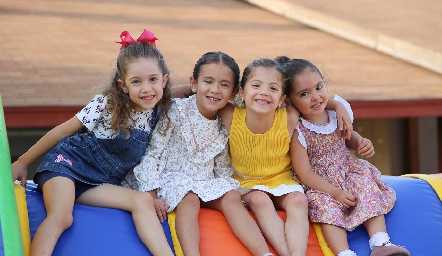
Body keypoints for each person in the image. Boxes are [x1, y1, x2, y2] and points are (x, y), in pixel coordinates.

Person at [11, 29, 174, 256]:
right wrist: (21, 162)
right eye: (136, 82)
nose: (147, 89)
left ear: (164, 80)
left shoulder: (158, 107)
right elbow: (60, 132)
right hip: (66, 165)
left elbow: (185, 93)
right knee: (62, 216)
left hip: (99, 182)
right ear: (123, 85)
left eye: (153, 80)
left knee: (142, 200)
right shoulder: (105, 105)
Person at [122, 52, 274, 256]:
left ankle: (264, 253)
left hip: (204, 179)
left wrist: (232, 188)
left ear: (234, 92)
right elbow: (152, 154)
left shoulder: (225, 121)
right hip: (170, 177)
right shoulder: (175, 111)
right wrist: (151, 193)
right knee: (190, 198)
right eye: (208, 82)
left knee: (230, 196)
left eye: (224, 84)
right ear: (194, 83)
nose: (215, 90)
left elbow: (221, 164)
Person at [218, 57, 352, 256]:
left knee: (299, 201)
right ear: (241, 93)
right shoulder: (230, 115)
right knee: (259, 201)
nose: (264, 92)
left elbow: (312, 101)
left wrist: (337, 106)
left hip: (281, 179)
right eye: (256, 85)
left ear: (282, 99)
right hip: (246, 183)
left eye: (273, 88)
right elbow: (203, 93)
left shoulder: (289, 116)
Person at [281, 57, 410, 256]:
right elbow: (305, 173)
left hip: (348, 169)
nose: (315, 97)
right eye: (304, 94)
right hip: (321, 183)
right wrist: (334, 193)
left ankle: (380, 243)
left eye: (319, 87)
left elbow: (347, 137)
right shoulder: (298, 131)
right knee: (325, 208)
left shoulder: (335, 113)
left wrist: (360, 142)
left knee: (367, 188)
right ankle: (344, 253)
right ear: (290, 100)